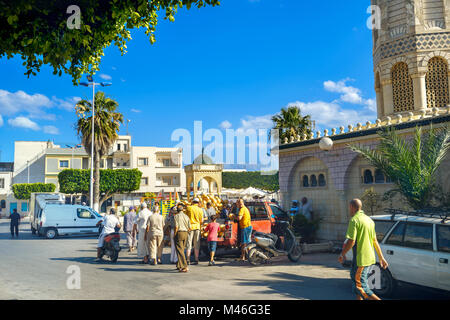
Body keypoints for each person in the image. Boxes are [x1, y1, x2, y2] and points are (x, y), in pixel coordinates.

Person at [338, 199, 389, 300]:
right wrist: (381, 257)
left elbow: (351, 241)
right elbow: (375, 241)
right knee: (358, 282)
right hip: (368, 258)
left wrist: (342, 254)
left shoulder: (354, 220)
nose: (349, 209)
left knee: (360, 286)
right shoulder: (369, 220)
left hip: (361, 259)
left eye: (349, 207)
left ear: (352, 207)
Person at [185, 197, 204, 265]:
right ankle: (196, 259)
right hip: (197, 227)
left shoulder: (189, 208)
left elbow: (186, 217)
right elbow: (201, 220)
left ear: (192, 202)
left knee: (189, 244)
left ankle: (188, 259)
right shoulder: (200, 210)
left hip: (190, 227)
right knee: (196, 244)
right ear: (198, 203)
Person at [174, 205, 191, 273]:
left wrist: (174, 235)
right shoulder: (186, 216)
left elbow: (176, 227)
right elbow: (190, 228)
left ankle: (184, 266)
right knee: (182, 249)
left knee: (179, 250)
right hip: (186, 233)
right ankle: (179, 265)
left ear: (177, 210)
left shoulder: (176, 216)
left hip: (179, 233)